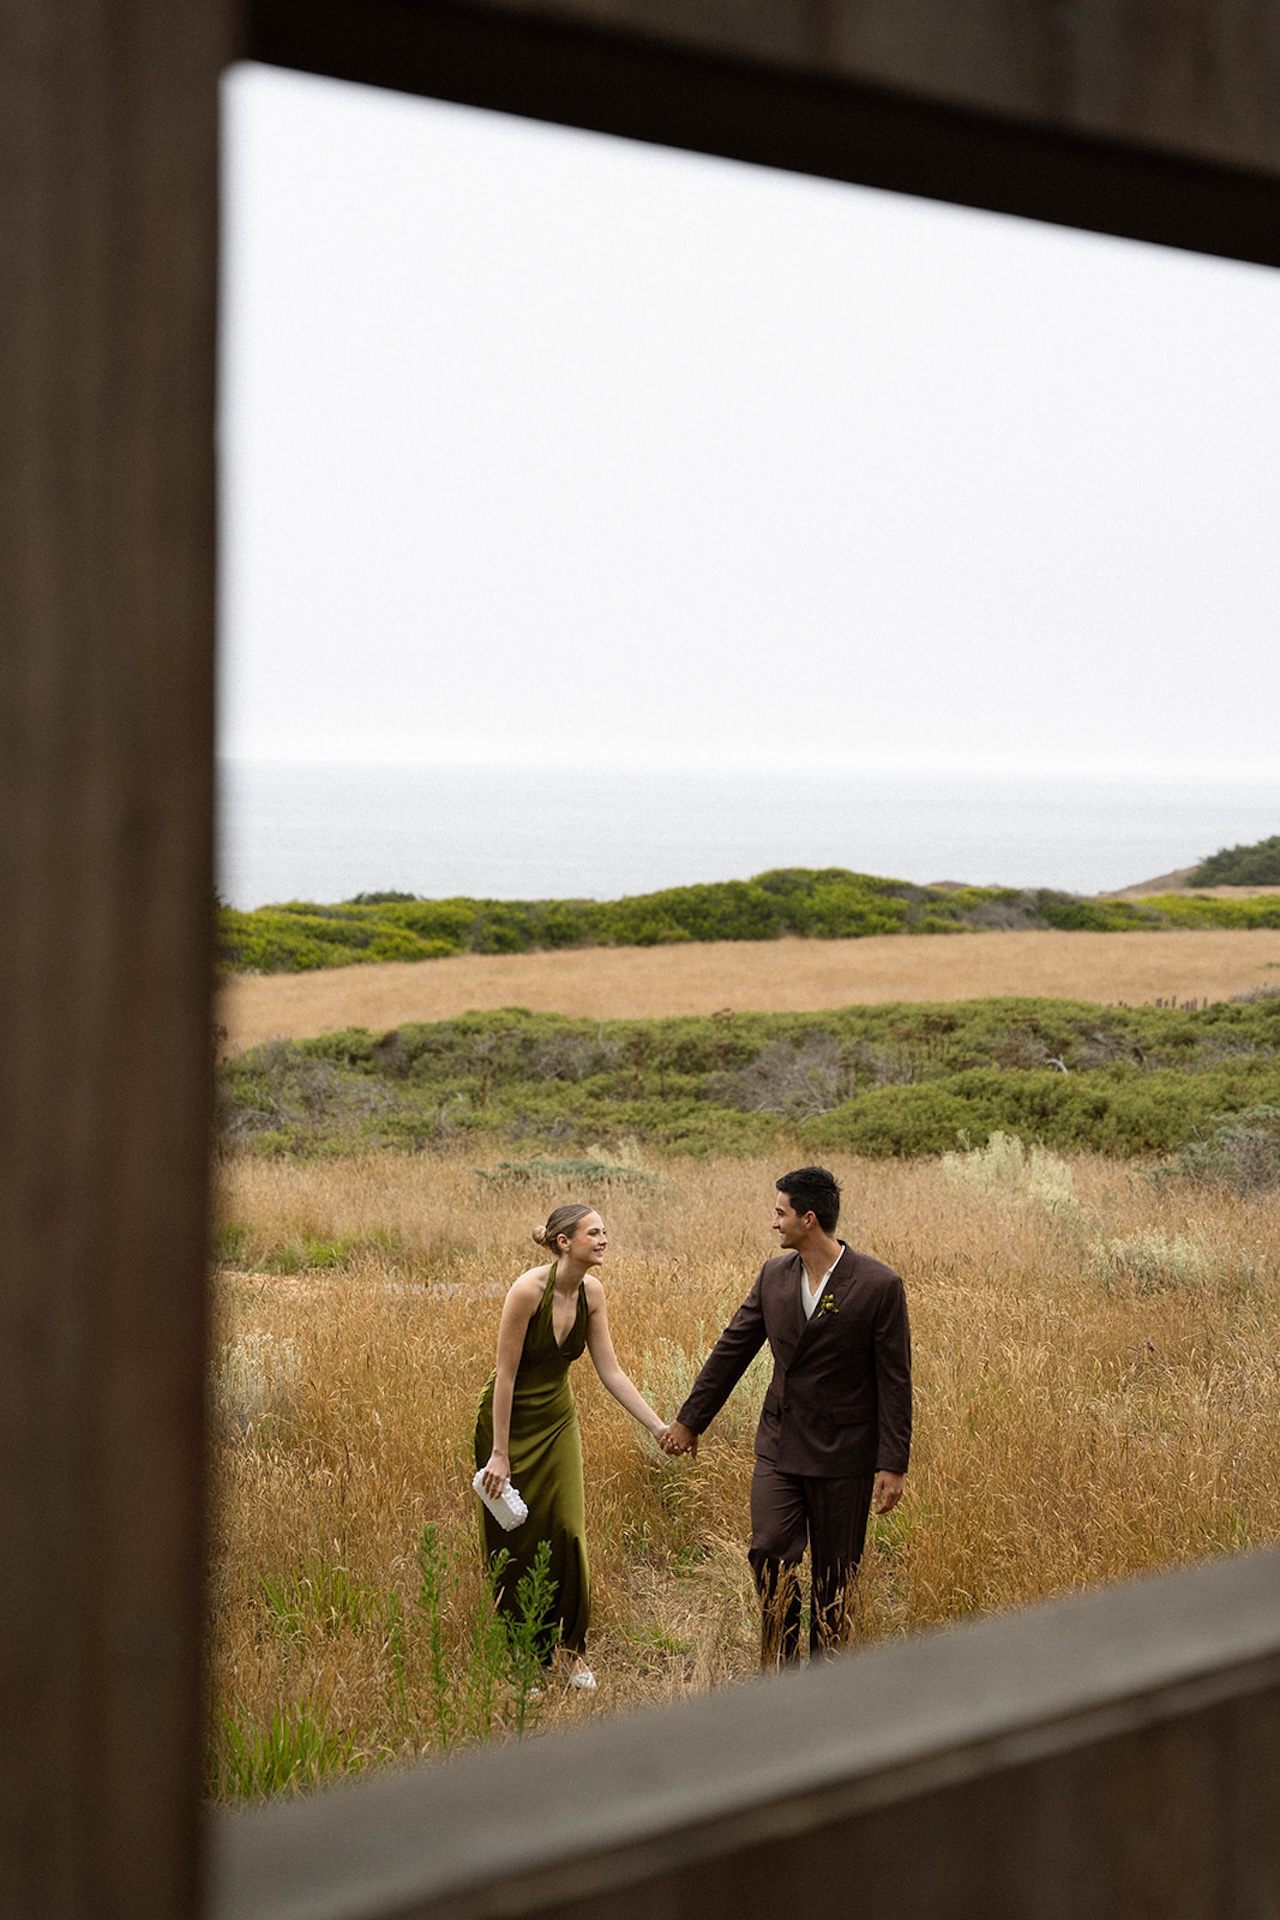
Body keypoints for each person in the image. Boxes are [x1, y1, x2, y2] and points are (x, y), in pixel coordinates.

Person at [663, 1165, 911, 1666]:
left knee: (835, 1576)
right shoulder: (773, 1276)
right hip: (779, 1444)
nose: (774, 1223)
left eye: (780, 1213)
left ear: (809, 1219)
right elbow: (733, 1347)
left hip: (845, 1454)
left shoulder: (879, 1285)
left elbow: (895, 1380)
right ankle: (781, 1660)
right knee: (769, 1549)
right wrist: (690, 1421)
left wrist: (893, 1463)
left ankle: (826, 1677)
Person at [475, 1202, 669, 1689]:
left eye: (605, 1231)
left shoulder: (593, 1293)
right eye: (594, 1232)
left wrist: (657, 1427)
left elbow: (611, 1371)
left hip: (557, 1419)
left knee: (568, 1529)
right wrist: (500, 1453)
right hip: (508, 1423)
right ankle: (524, 1655)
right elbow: (505, 1374)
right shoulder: (527, 1291)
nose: (604, 1239)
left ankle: (568, 1650)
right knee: (516, 1536)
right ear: (565, 1242)